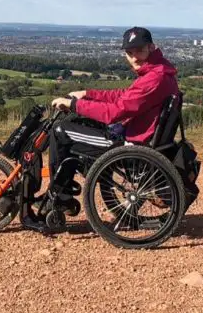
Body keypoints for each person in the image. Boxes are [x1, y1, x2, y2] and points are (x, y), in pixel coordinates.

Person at [21, 26, 179, 232]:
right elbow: (123, 96)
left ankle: (60, 198)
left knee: (61, 131)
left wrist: (74, 105)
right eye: (129, 53)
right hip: (138, 137)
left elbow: (115, 112)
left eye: (139, 51)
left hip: (130, 145)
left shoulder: (154, 78)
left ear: (151, 47)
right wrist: (88, 93)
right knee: (81, 126)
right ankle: (63, 191)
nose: (134, 58)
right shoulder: (158, 70)